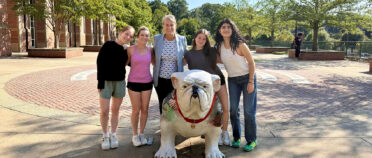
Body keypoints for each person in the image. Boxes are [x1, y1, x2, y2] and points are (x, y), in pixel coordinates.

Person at [215, 19, 258, 152]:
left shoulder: (240, 44)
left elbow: (251, 63)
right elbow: (215, 59)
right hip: (233, 80)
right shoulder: (219, 46)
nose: (226, 29)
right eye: (223, 27)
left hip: (247, 79)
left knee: (248, 111)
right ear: (219, 30)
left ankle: (251, 140)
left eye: (228, 27)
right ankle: (237, 137)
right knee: (233, 109)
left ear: (232, 29)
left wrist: (251, 82)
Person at [183, 29, 231, 146]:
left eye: (204, 39)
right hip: (203, 87)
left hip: (218, 81)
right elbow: (179, 63)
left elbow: (225, 57)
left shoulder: (212, 51)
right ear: (195, 38)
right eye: (199, 38)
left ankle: (224, 132)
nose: (201, 40)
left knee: (225, 107)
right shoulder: (188, 54)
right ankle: (214, 133)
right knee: (209, 110)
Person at [96, 25, 135, 150]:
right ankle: (105, 135)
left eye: (131, 36)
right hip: (106, 82)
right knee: (104, 110)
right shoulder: (108, 45)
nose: (128, 37)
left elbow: (133, 63)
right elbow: (100, 63)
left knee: (116, 110)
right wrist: (100, 82)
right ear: (121, 32)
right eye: (127, 34)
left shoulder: (127, 50)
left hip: (119, 82)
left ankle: (113, 134)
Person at [153, 15, 188, 114]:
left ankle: (173, 126)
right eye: (167, 25)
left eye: (171, 25)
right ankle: (163, 125)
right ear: (163, 26)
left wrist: (182, 63)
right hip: (160, 78)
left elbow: (187, 55)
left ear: (175, 26)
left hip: (175, 79)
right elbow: (152, 53)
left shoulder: (182, 39)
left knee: (174, 103)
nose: (169, 27)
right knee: (162, 102)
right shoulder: (157, 39)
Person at [126, 27, 154, 147]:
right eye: (142, 35)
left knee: (145, 109)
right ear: (138, 36)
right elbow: (123, 64)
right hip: (133, 83)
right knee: (136, 110)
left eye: (146, 35)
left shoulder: (151, 50)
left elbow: (156, 64)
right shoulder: (130, 49)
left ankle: (141, 133)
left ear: (149, 37)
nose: (144, 37)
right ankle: (134, 135)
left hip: (147, 82)